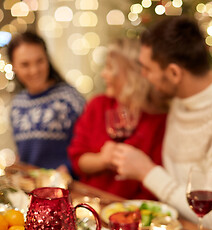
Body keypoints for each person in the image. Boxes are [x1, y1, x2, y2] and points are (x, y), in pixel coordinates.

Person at [111, 16, 212, 230]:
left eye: (147, 69)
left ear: (174, 73)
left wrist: (147, 172)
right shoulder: (179, 98)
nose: (144, 77)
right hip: (171, 228)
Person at [68, 38, 168, 200]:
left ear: (131, 75)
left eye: (109, 67)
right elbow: (77, 161)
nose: (103, 74)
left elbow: (154, 187)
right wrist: (102, 160)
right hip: (91, 203)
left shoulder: (158, 120)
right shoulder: (97, 105)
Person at [7, 31, 85, 176]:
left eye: (40, 61)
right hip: (30, 188)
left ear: (47, 59)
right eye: (25, 64)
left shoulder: (69, 98)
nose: (34, 70)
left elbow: (88, 145)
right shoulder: (17, 104)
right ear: (14, 67)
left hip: (66, 189)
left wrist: (67, 169)